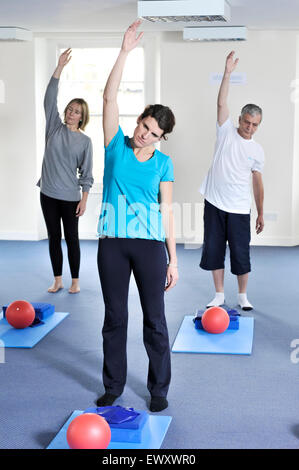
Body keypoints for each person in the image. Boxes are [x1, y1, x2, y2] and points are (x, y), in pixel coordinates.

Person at [96, 20, 178, 412]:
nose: (146, 135)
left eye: (154, 133)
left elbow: (167, 211)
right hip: (112, 245)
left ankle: (158, 389)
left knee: (155, 322)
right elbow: (108, 99)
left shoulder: (164, 164)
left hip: (149, 247)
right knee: (115, 318)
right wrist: (125, 51)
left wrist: (173, 258)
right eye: (145, 126)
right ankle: (113, 385)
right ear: (139, 121)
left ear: (162, 138)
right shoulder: (116, 147)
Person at [199, 51, 265, 311]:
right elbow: (221, 103)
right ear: (239, 119)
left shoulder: (257, 151)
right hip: (215, 202)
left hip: (239, 208)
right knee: (214, 249)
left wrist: (260, 212)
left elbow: (258, 183)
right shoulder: (225, 130)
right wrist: (227, 73)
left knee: (240, 254)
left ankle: (242, 295)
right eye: (247, 122)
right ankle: (218, 294)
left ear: (259, 126)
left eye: (255, 124)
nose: (249, 127)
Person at [37, 48, 94, 294]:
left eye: (76, 112)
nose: (71, 113)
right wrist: (59, 68)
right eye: (70, 109)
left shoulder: (85, 142)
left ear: (82, 118)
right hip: (48, 193)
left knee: (71, 239)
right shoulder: (53, 127)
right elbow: (49, 98)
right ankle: (58, 279)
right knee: (53, 238)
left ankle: (75, 281)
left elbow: (87, 175)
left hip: (70, 198)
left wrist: (84, 199)